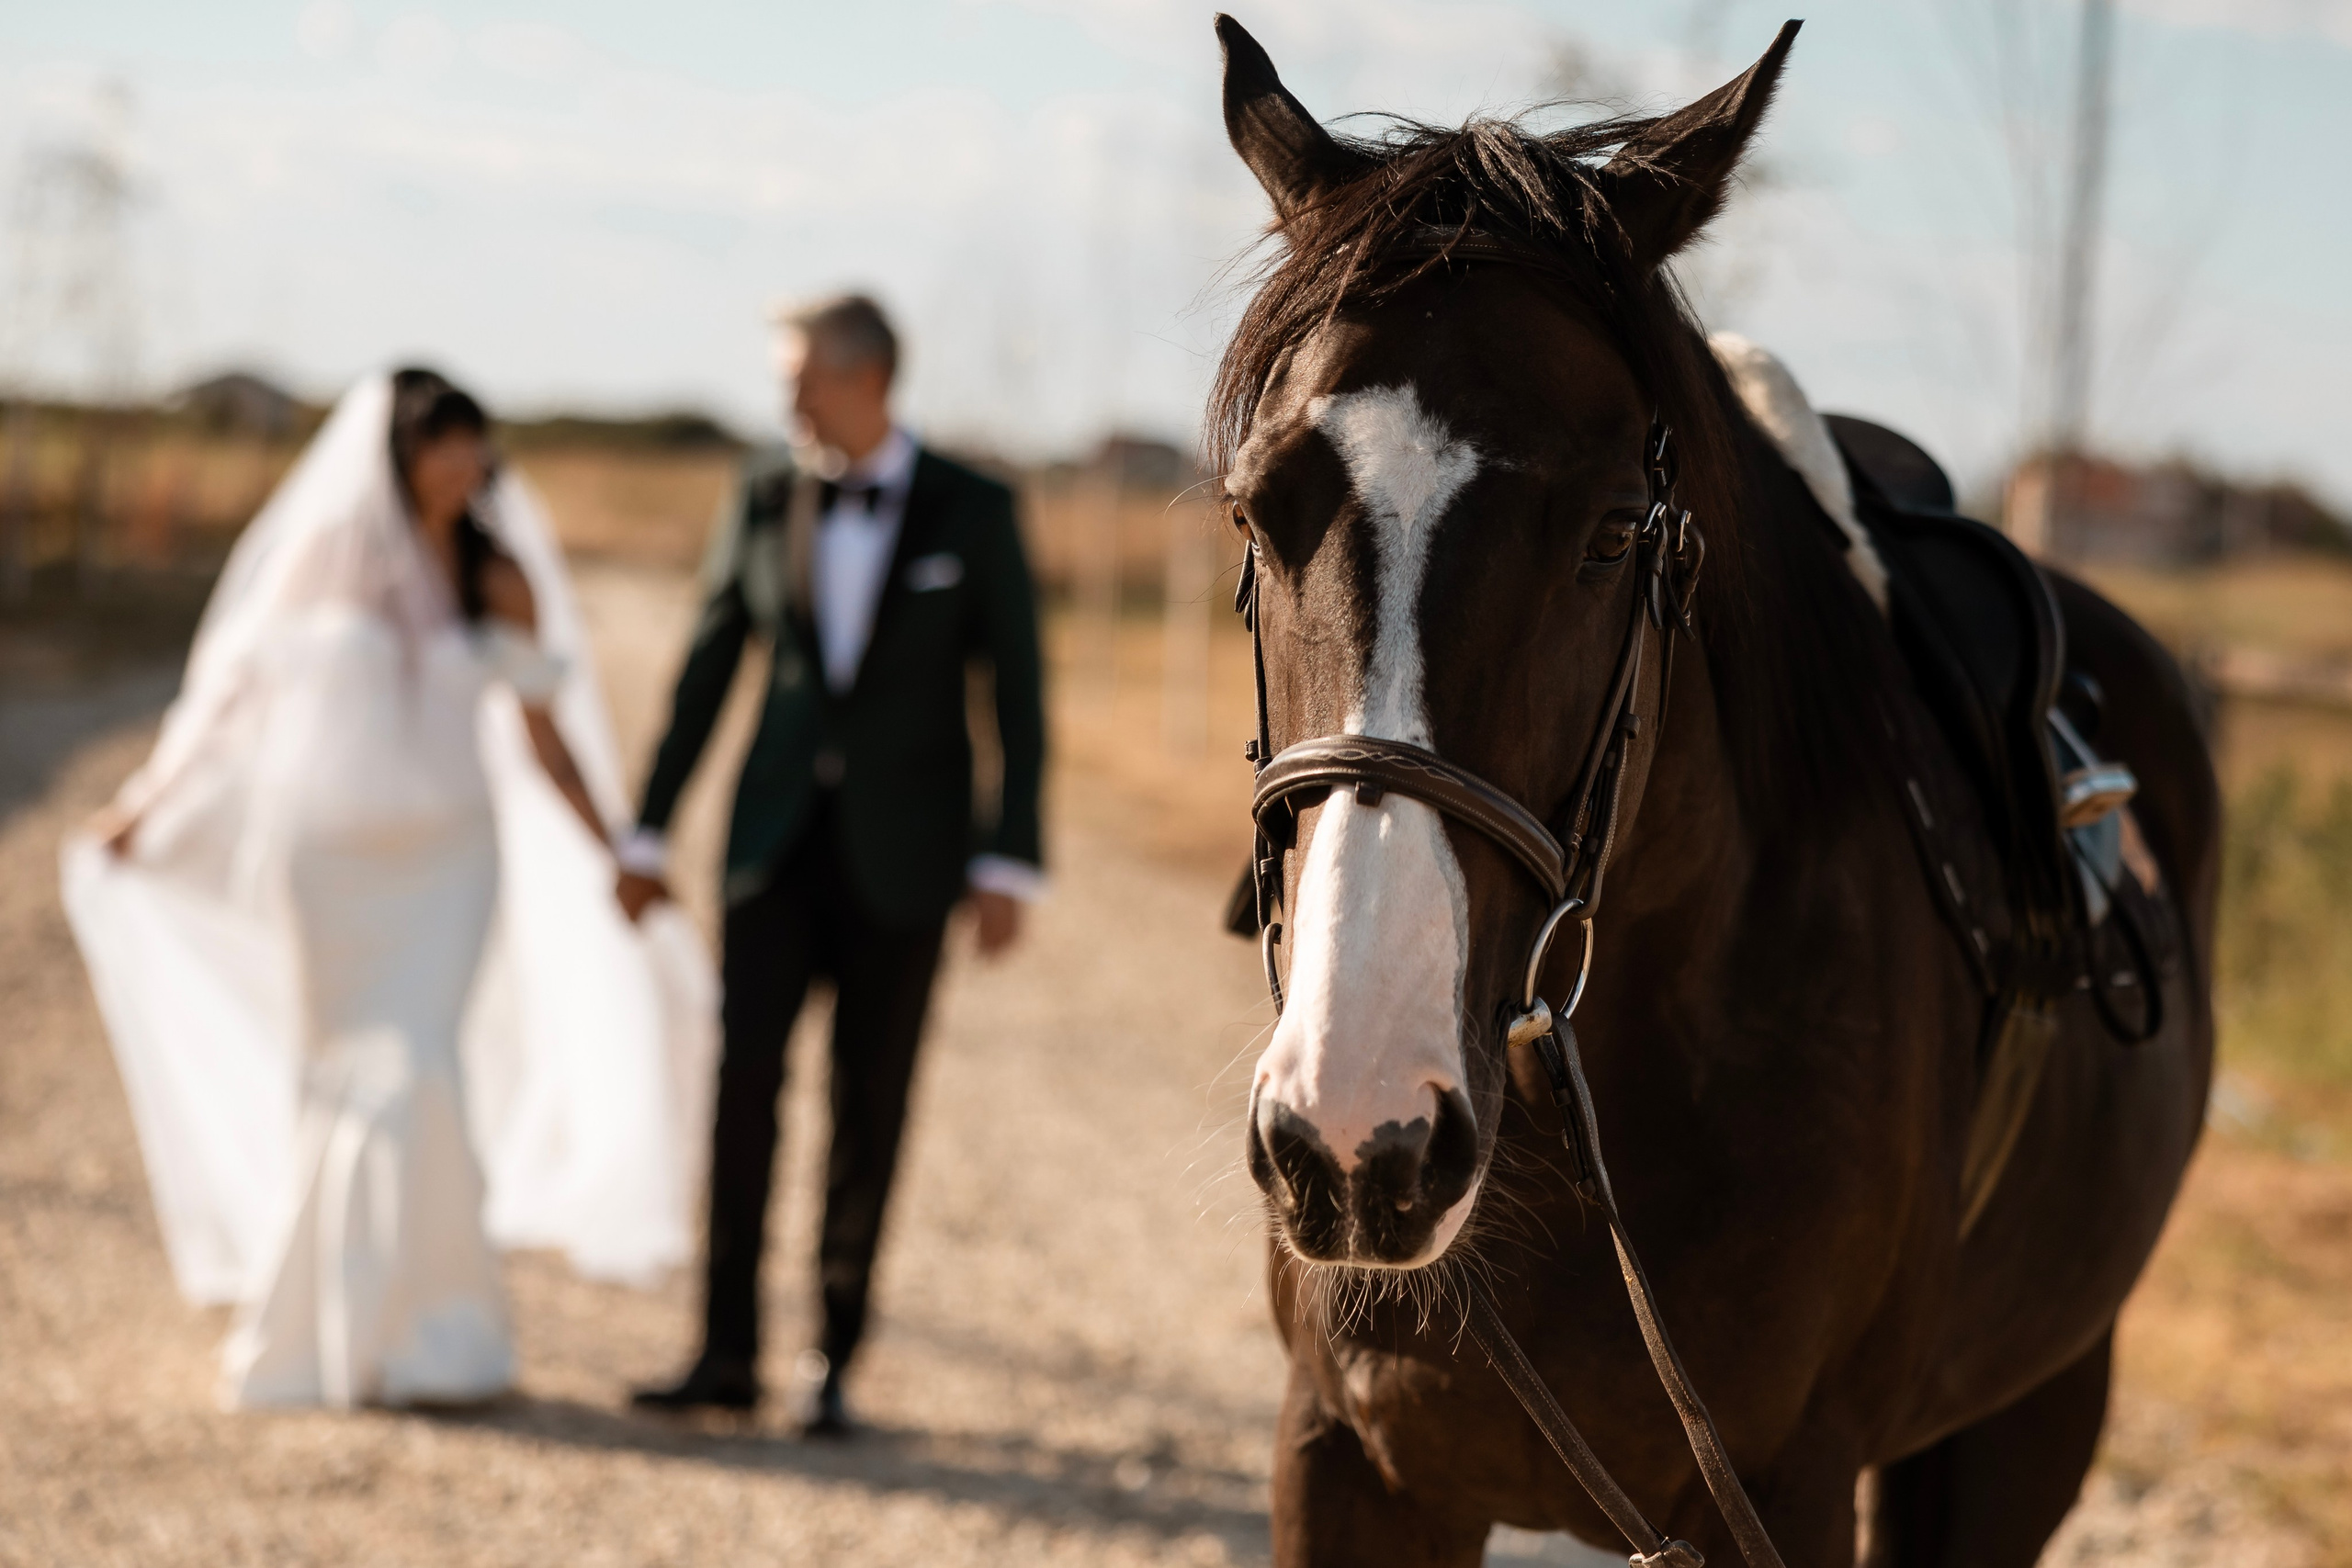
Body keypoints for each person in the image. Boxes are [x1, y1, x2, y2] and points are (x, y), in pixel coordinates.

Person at [62, 369, 716, 1409]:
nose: (464, 462)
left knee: (420, 1070)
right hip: (326, 864)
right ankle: (322, 1328)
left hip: (446, 866)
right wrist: (142, 810)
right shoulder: (319, 562)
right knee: (333, 1074)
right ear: (398, 454)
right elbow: (225, 706)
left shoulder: (497, 579)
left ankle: (433, 1333)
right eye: (443, 442)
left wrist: (617, 852)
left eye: (475, 442)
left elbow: (546, 742)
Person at [624, 294, 1045, 1433]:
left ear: (867, 380)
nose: (787, 399)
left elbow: (1017, 693)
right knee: (741, 1098)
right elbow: (710, 665)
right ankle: (723, 1353)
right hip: (769, 851)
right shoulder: (762, 492)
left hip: (906, 863)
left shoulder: (976, 509)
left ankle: (833, 1365)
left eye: (801, 376)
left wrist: (1011, 863)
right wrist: (649, 826)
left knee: (872, 1108)